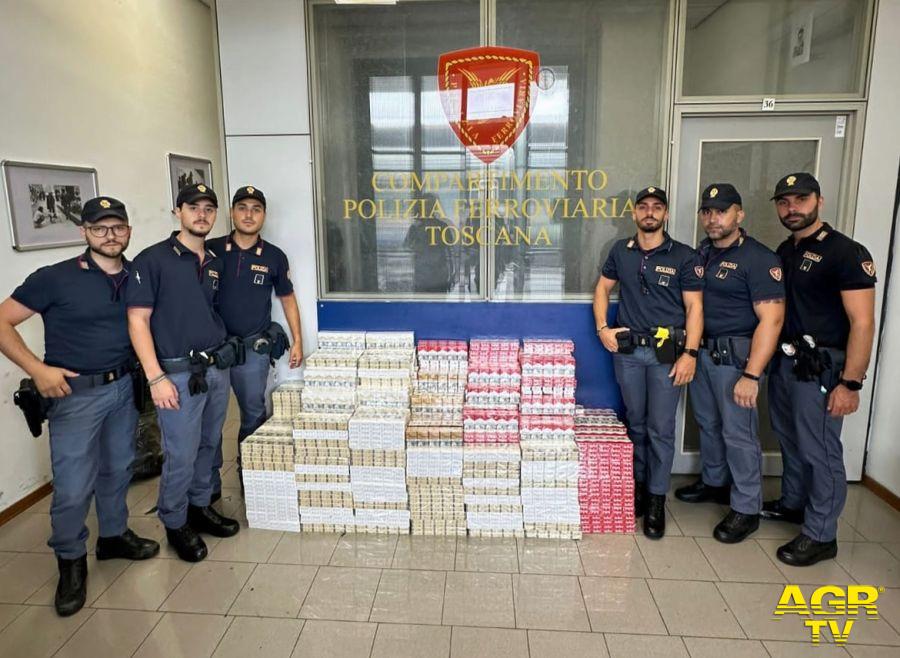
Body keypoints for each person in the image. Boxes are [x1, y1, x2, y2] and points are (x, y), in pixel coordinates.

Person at [0, 197, 159, 617]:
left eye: (118, 227)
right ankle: (70, 560)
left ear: (128, 229)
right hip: (75, 396)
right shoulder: (55, 278)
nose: (110, 236)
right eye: (99, 228)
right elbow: (2, 320)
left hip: (124, 388)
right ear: (84, 232)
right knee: (72, 487)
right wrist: (37, 369)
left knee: (118, 467)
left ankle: (112, 536)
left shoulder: (136, 276)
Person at [763, 172, 876, 566]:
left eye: (800, 199)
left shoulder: (846, 252)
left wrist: (851, 382)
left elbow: (862, 323)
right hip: (787, 361)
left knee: (821, 449)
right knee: (789, 438)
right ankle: (793, 503)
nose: (792, 208)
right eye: (784, 201)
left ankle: (821, 533)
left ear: (819, 201)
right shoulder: (786, 250)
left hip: (824, 367)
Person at [126, 183, 240, 563]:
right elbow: (138, 321)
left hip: (213, 368)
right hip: (175, 374)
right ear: (178, 211)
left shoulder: (213, 262)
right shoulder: (152, 260)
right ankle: (175, 522)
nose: (202, 215)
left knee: (209, 444)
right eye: (194, 207)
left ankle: (199, 507)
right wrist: (156, 378)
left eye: (209, 208)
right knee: (181, 452)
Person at [675, 183, 785, 544]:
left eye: (721, 211)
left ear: (739, 214)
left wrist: (752, 374)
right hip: (704, 355)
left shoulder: (759, 259)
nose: (713, 218)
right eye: (707, 211)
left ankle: (746, 508)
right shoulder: (701, 254)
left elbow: (772, 321)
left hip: (737, 359)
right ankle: (714, 481)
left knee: (739, 435)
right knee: (708, 423)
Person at [593, 186, 704, 539]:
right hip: (628, 351)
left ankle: (656, 498)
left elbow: (695, 309)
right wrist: (602, 329)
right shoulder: (621, 251)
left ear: (666, 214)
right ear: (635, 213)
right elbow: (602, 289)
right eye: (643, 207)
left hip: (666, 352)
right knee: (636, 425)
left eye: (657, 207)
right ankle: (639, 488)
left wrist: (690, 354)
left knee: (660, 428)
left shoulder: (684, 256)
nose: (650, 213)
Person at [207, 185, 303, 494]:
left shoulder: (274, 256)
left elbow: (287, 299)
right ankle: (207, 488)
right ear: (232, 212)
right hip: (213, 352)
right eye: (242, 207)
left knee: (253, 415)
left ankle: (251, 474)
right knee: (210, 422)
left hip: (252, 351)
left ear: (264, 215)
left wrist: (297, 340)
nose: (249, 214)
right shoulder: (210, 251)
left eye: (256, 209)